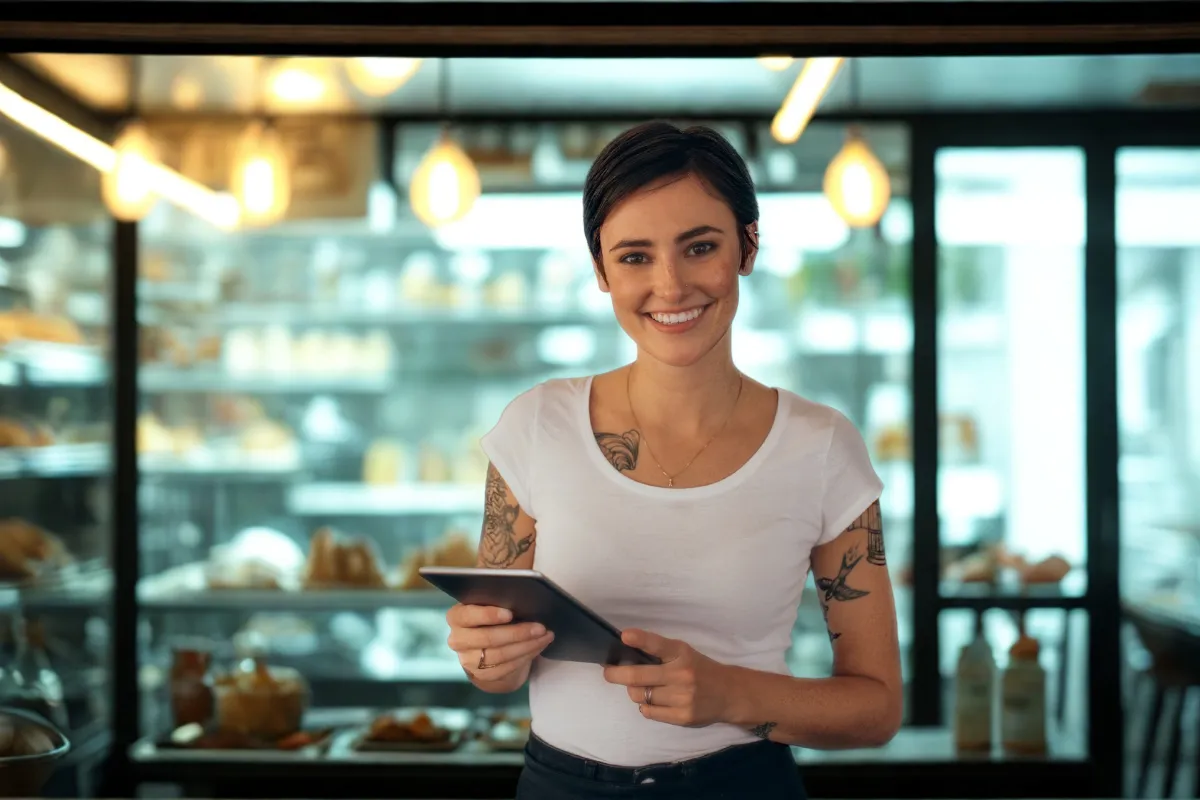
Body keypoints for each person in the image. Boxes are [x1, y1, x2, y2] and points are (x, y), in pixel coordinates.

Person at [445, 120, 902, 800]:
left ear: (748, 246)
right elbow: (498, 670)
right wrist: (486, 653)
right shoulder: (535, 426)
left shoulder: (821, 446)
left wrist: (729, 693)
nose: (671, 284)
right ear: (600, 270)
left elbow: (877, 708)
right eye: (634, 257)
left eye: (699, 247)